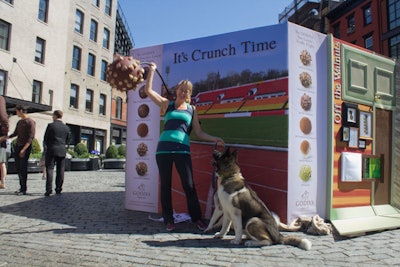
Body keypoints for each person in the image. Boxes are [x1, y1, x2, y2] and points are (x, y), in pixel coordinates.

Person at [144, 63, 224, 232]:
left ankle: (197, 218)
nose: (183, 92)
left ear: (190, 94)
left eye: (186, 90)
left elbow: (199, 132)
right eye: (181, 89)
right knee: (165, 185)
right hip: (163, 150)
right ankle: (168, 220)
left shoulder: (192, 110)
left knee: (188, 185)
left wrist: (214, 139)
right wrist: (151, 71)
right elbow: (148, 91)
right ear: (177, 90)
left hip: (182, 150)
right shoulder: (167, 105)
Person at [4, 105, 35, 195]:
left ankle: (23, 189)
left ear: (21, 111)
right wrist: (6, 137)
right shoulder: (20, 122)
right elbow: (15, 133)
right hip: (18, 146)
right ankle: (21, 186)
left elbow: (31, 137)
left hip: (25, 147)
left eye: (17, 111)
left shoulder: (30, 122)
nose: (16, 113)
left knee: (23, 167)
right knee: (18, 167)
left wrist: (24, 149)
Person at [43, 110, 70, 196]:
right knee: (60, 170)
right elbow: (68, 140)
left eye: (53, 116)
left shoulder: (51, 126)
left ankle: (49, 189)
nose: (52, 117)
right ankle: (58, 188)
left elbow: (45, 138)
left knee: (50, 169)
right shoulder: (66, 127)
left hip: (51, 149)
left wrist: (47, 147)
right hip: (62, 150)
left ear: (55, 116)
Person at [0, 96, 9, 189]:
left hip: (1, 144)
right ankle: (3, 182)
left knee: (2, 163)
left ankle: (3, 182)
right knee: (1, 163)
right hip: (2, 144)